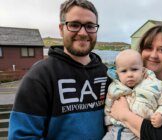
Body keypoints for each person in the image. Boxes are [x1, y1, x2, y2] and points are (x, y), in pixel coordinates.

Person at [8, 0, 111, 139]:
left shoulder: (106, 74)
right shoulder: (39, 76)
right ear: (61, 29)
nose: (83, 32)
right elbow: (22, 136)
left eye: (90, 26)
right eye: (74, 25)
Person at [103, 49, 162, 140]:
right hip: (116, 131)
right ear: (117, 73)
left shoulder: (156, 85)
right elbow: (108, 108)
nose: (129, 74)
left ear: (142, 70)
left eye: (134, 69)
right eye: (124, 71)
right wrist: (109, 125)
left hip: (139, 132)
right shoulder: (113, 88)